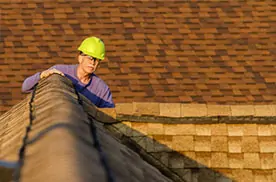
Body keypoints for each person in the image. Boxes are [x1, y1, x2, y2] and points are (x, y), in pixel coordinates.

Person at [22, 36, 115, 108]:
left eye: (97, 59)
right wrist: (41, 75)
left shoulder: (102, 89)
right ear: (80, 57)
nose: (93, 62)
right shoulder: (60, 71)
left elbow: (110, 114)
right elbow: (25, 87)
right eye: (90, 58)